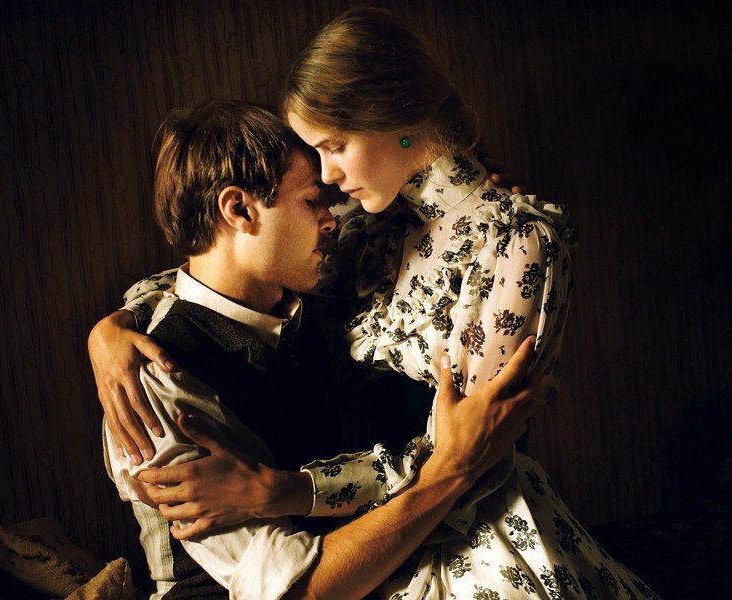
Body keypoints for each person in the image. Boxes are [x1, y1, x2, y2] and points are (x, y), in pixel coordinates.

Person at [92, 8, 658, 599]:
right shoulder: (361, 233)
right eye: (314, 182)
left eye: (334, 147)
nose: (329, 185)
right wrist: (113, 326)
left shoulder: (505, 240)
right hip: (355, 552)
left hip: (451, 527)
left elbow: (469, 452)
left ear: (391, 117)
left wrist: (287, 490)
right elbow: (220, 272)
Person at [106, 98, 540, 600]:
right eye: (312, 201)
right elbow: (297, 591)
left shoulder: (308, 304)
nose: (332, 219)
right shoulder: (154, 380)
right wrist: (452, 469)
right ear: (238, 210)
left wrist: (489, 209)